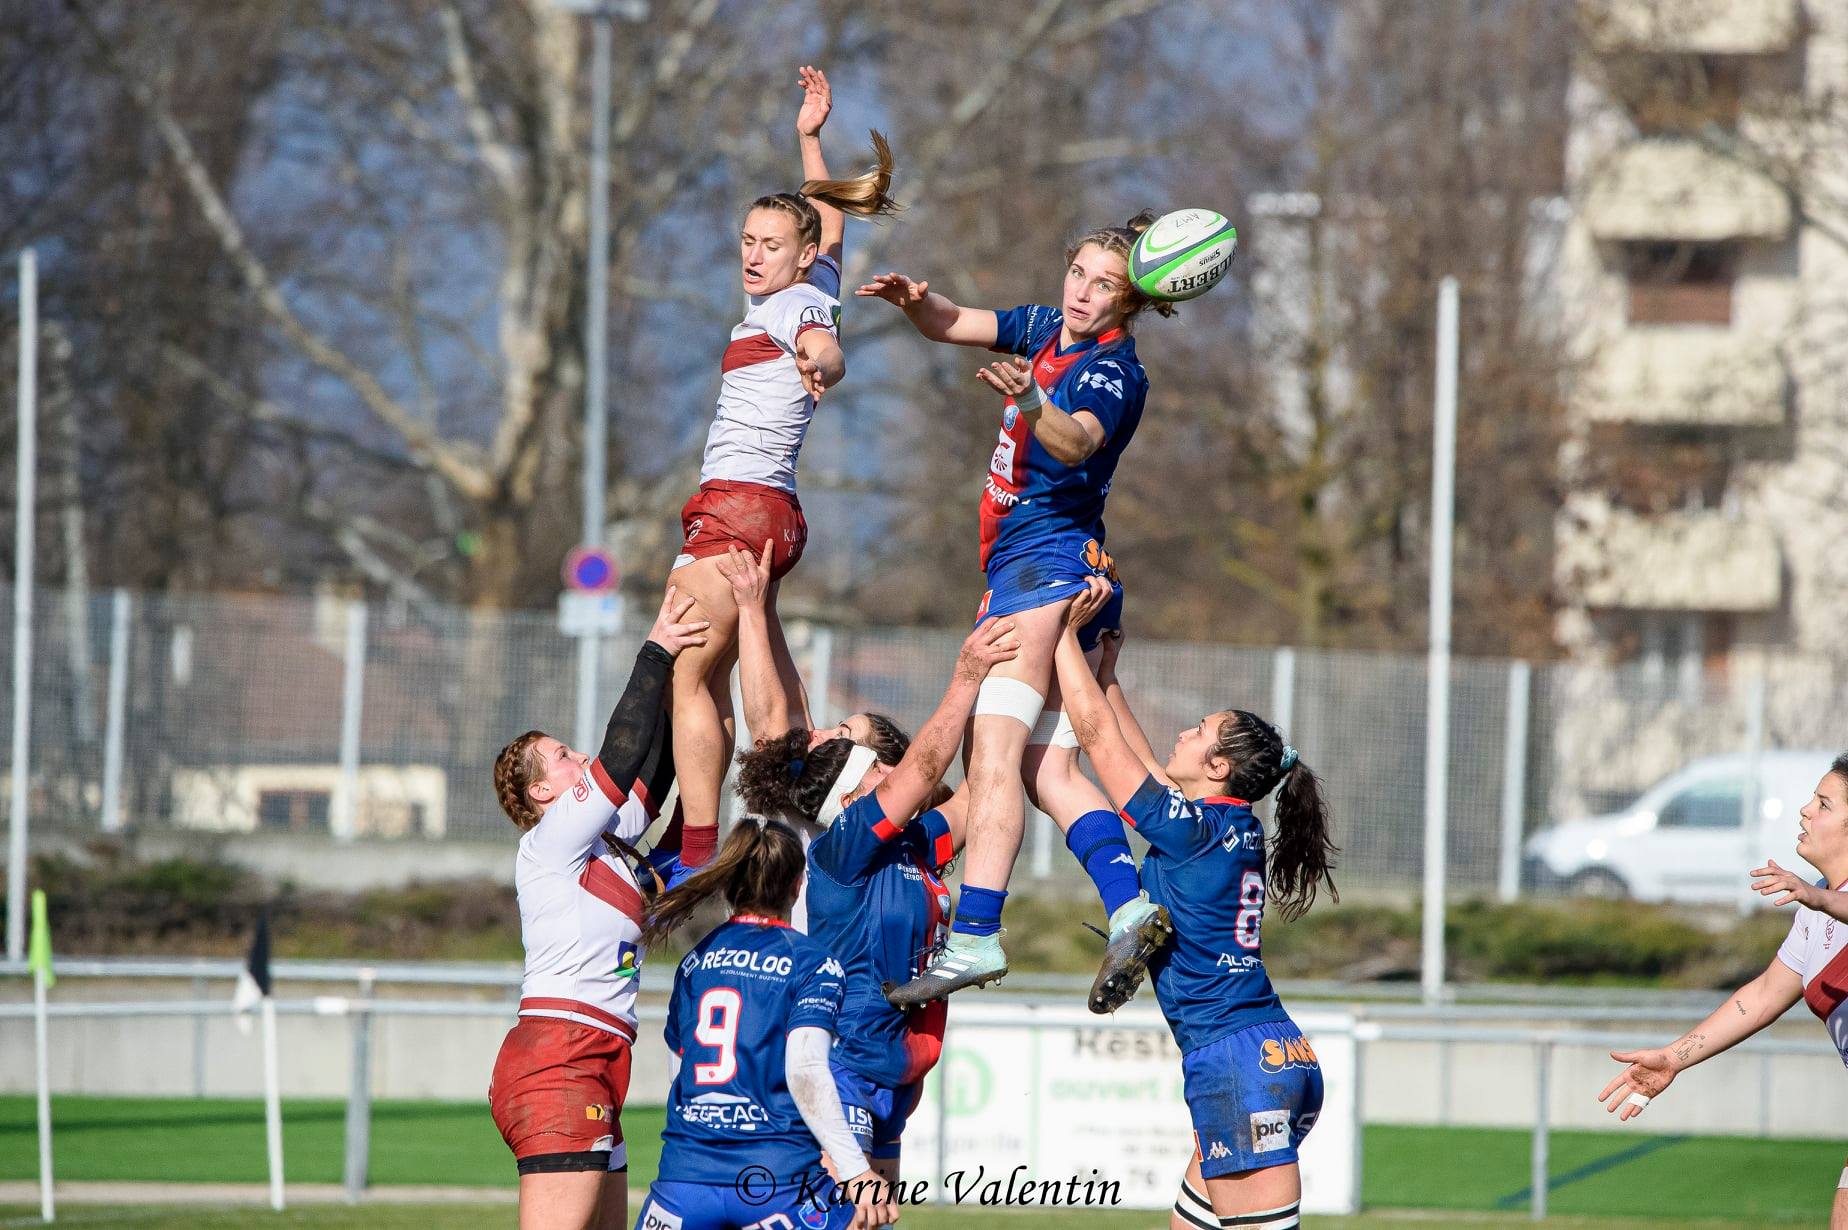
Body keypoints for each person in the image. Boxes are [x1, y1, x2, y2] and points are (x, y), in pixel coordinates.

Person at [861, 213, 1174, 1006]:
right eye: (1079, 273)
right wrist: (914, 305)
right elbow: (956, 322)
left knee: (991, 760)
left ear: (1130, 303)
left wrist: (1035, 398)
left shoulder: (1114, 371)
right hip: (1056, 571)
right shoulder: (1043, 325)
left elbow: (1073, 442)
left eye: (1106, 284)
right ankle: (1132, 904)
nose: (1083, 292)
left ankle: (975, 935)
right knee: (1044, 768)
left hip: (1044, 568)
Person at [671, 65, 901, 877]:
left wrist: (823, 365)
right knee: (720, 678)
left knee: (683, 673)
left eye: (771, 245)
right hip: (768, 511)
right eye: (747, 241)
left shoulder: (794, 308)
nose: (754, 256)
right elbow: (831, 230)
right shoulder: (815, 282)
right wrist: (810, 135)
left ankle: (693, 853)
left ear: (795, 260)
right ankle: (691, 839)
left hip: (740, 506)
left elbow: (824, 348)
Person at [1051, 578, 1339, 1230]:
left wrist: (1064, 638)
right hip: (1275, 1055)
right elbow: (1143, 765)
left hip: (1236, 1068)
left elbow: (1100, 745)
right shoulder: (1227, 825)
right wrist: (1107, 674)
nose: (1185, 731)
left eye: (1200, 729)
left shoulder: (1193, 829)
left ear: (1218, 767)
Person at [735, 608, 1019, 1182]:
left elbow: (977, 791)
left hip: (897, 1062)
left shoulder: (914, 842)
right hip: (844, 1059)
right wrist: (967, 673)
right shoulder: (840, 845)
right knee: (847, 1216)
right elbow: (922, 768)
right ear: (849, 802)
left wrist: (1020, 687)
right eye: (874, 773)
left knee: (874, 1218)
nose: (890, 776)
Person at [487, 585, 709, 1230]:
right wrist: (657, 653)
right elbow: (618, 754)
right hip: (560, 1059)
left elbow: (658, 769)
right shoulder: (551, 840)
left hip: (597, 1058)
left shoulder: (603, 843)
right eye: (563, 758)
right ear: (541, 791)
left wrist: (695, 674)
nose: (578, 759)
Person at [1602, 753, 1848, 1230]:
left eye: (1823, 804)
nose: (1805, 812)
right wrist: (1674, 1057)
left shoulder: (1821, 899)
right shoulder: (1816, 908)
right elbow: (1760, 998)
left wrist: (1819, 897)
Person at [635, 818, 898, 1230]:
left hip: (685, 1180)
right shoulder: (815, 963)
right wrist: (857, 1172)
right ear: (798, 885)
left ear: (728, 884)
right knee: (871, 1221)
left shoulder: (695, 961)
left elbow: (680, 1072)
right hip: (776, 1181)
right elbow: (806, 1070)